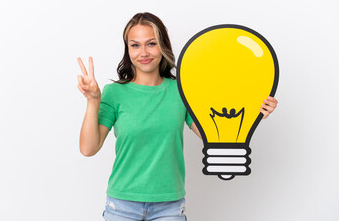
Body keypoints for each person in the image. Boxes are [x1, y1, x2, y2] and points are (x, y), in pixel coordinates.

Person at [77, 12, 278, 221]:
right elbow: (88, 148)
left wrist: (253, 111)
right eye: (135, 45)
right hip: (122, 206)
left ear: (163, 45)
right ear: (128, 50)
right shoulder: (114, 93)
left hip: (169, 207)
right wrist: (93, 100)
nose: (143, 52)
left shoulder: (182, 91)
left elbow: (212, 134)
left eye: (151, 43)